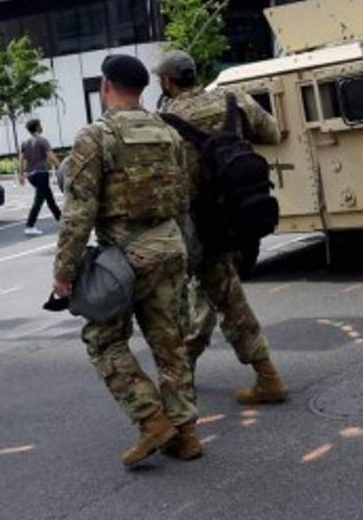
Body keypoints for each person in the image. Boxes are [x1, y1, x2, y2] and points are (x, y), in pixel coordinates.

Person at [52, 54, 200, 467]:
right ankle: (186, 434)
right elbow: (183, 198)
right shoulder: (167, 131)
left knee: (102, 339)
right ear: (143, 89)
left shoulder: (96, 136)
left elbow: (78, 212)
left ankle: (151, 419)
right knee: (171, 344)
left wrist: (64, 273)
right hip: (171, 246)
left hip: (125, 257)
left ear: (105, 86)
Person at [153, 50, 289, 405]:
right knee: (217, 290)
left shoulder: (165, 121)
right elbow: (273, 133)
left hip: (200, 224)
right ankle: (195, 365)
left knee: (213, 297)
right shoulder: (233, 99)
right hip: (240, 214)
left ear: (167, 82)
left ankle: (263, 377)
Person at [18, 118, 60, 235]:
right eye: (40, 125)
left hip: (31, 176)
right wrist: (60, 167)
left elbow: (22, 159)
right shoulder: (42, 140)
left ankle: (61, 219)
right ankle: (29, 225)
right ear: (37, 127)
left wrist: (21, 175)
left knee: (49, 198)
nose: (42, 127)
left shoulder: (25, 142)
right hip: (41, 174)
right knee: (39, 201)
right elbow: (50, 156)